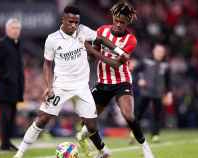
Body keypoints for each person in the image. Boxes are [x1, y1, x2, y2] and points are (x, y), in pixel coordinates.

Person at [13, 6, 126, 158]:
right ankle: (19, 154)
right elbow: (47, 64)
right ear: (63, 20)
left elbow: (101, 39)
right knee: (42, 119)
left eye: (77, 22)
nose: (74, 25)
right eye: (71, 21)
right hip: (61, 87)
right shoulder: (52, 39)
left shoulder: (83, 31)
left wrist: (119, 51)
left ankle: (103, 150)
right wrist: (49, 86)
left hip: (82, 87)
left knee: (91, 125)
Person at [77, 2, 155, 158]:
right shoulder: (102, 31)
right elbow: (94, 56)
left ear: (127, 23)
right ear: (113, 18)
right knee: (87, 119)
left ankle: (146, 148)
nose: (118, 24)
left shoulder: (131, 40)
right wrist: (85, 51)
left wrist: (92, 50)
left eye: (122, 22)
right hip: (102, 82)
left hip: (121, 82)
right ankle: (101, 150)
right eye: (117, 20)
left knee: (128, 116)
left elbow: (116, 64)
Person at [0, 18, 24, 151]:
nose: (16, 31)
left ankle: (7, 142)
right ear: (7, 29)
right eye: (13, 28)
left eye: (17, 28)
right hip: (4, 89)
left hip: (15, 89)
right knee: (5, 117)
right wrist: (6, 76)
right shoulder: (1, 44)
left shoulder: (17, 45)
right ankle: (4, 144)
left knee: (11, 118)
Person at [133, 44, 173, 142]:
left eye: (161, 52)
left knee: (157, 115)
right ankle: (133, 133)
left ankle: (155, 135)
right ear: (153, 51)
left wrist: (169, 94)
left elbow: (168, 81)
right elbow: (135, 71)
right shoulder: (146, 60)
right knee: (139, 113)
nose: (159, 53)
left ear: (164, 54)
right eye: (157, 51)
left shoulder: (166, 65)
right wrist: (139, 80)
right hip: (145, 92)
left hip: (158, 93)